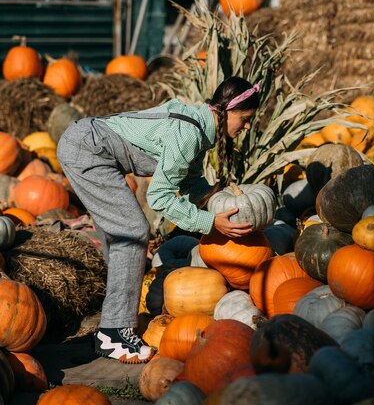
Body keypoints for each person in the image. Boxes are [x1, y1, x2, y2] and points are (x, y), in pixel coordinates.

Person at [57, 76, 260, 364]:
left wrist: (224, 202)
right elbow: (160, 196)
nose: (248, 126)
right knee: (133, 231)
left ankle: (113, 321)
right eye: (246, 118)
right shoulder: (190, 133)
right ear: (226, 109)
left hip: (88, 145)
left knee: (120, 236)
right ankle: (114, 331)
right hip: (87, 150)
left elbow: (189, 182)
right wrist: (210, 222)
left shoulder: (198, 127)